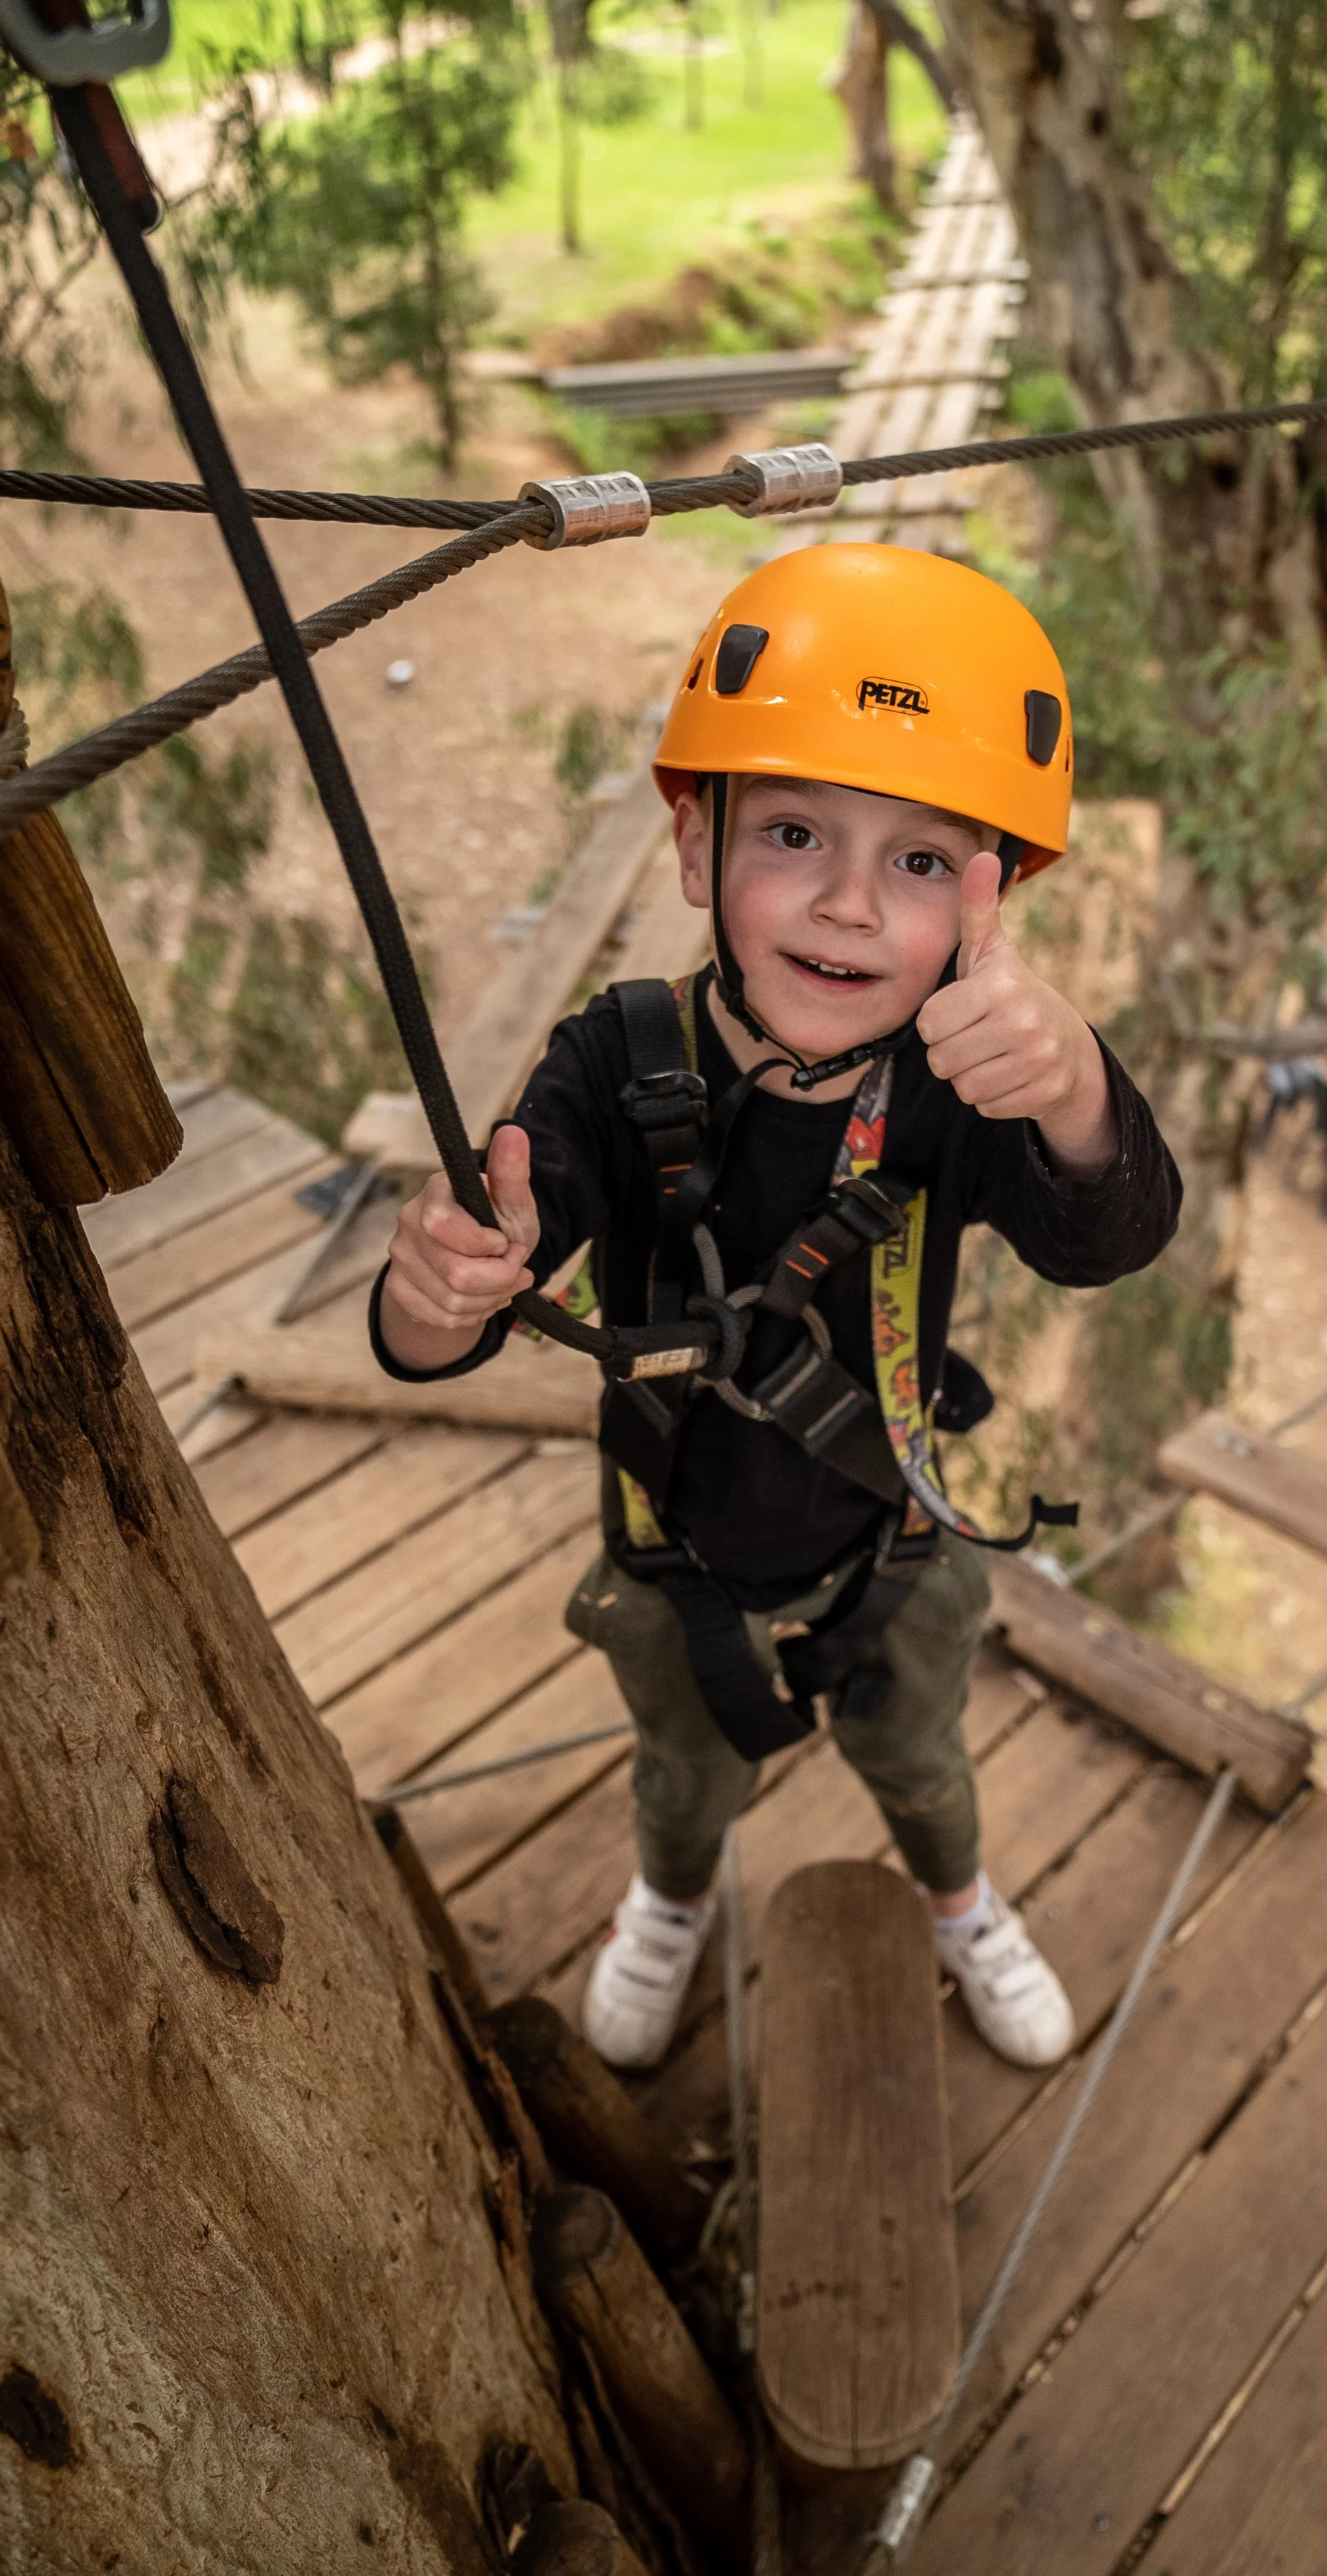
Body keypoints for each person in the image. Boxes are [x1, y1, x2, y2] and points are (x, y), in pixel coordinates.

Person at [372, 542, 1180, 2073]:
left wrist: (1074, 1093)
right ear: (694, 842)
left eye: (925, 861)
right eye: (795, 830)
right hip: (677, 1555)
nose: (851, 906)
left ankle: (957, 1899)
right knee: (681, 1773)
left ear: (989, 897)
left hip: (891, 1543)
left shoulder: (956, 1086)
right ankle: (668, 1904)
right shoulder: (614, 1067)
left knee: (921, 1757)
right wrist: (438, 1288)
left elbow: (1108, 1235)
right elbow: (445, 1328)